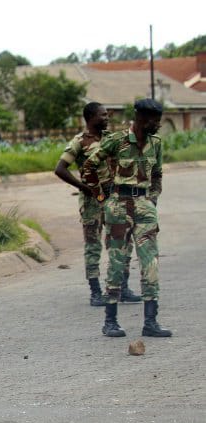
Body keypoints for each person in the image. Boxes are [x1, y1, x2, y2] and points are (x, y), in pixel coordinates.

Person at [83, 99, 172, 338]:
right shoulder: (116, 140)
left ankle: (150, 322)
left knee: (150, 262)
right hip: (118, 207)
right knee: (117, 262)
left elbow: (157, 176)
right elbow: (88, 168)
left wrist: (151, 201)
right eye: (155, 121)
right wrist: (101, 197)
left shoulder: (156, 144)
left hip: (144, 208)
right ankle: (110, 321)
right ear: (142, 119)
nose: (158, 125)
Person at [54, 102, 140, 306]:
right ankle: (95, 292)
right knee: (93, 245)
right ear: (91, 117)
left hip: (114, 199)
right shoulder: (79, 142)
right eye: (103, 115)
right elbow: (60, 169)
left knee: (121, 243)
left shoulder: (111, 139)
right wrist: (83, 187)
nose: (107, 118)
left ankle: (123, 287)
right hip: (92, 201)